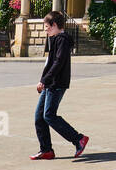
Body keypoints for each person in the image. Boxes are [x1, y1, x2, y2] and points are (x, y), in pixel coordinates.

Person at [30, 10, 89, 160]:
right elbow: (49, 63)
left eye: (47, 26)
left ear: (54, 25)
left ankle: (78, 139)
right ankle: (46, 150)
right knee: (39, 117)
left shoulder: (62, 39)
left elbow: (58, 62)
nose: (45, 29)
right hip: (50, 83)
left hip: (57, 83)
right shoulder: (55, 39)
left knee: (49, 115)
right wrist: (43, 80)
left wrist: (45, 80)